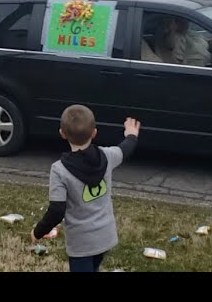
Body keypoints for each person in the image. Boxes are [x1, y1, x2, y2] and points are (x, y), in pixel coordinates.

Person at [30, 105, 141, 272]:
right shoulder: (108, 156)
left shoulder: (59, 170)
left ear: (62, 133)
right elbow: (126, 149)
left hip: (81, 243)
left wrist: (38, 232)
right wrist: (131, 135)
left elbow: (57, 210)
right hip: (105, 236)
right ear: (94, 133)